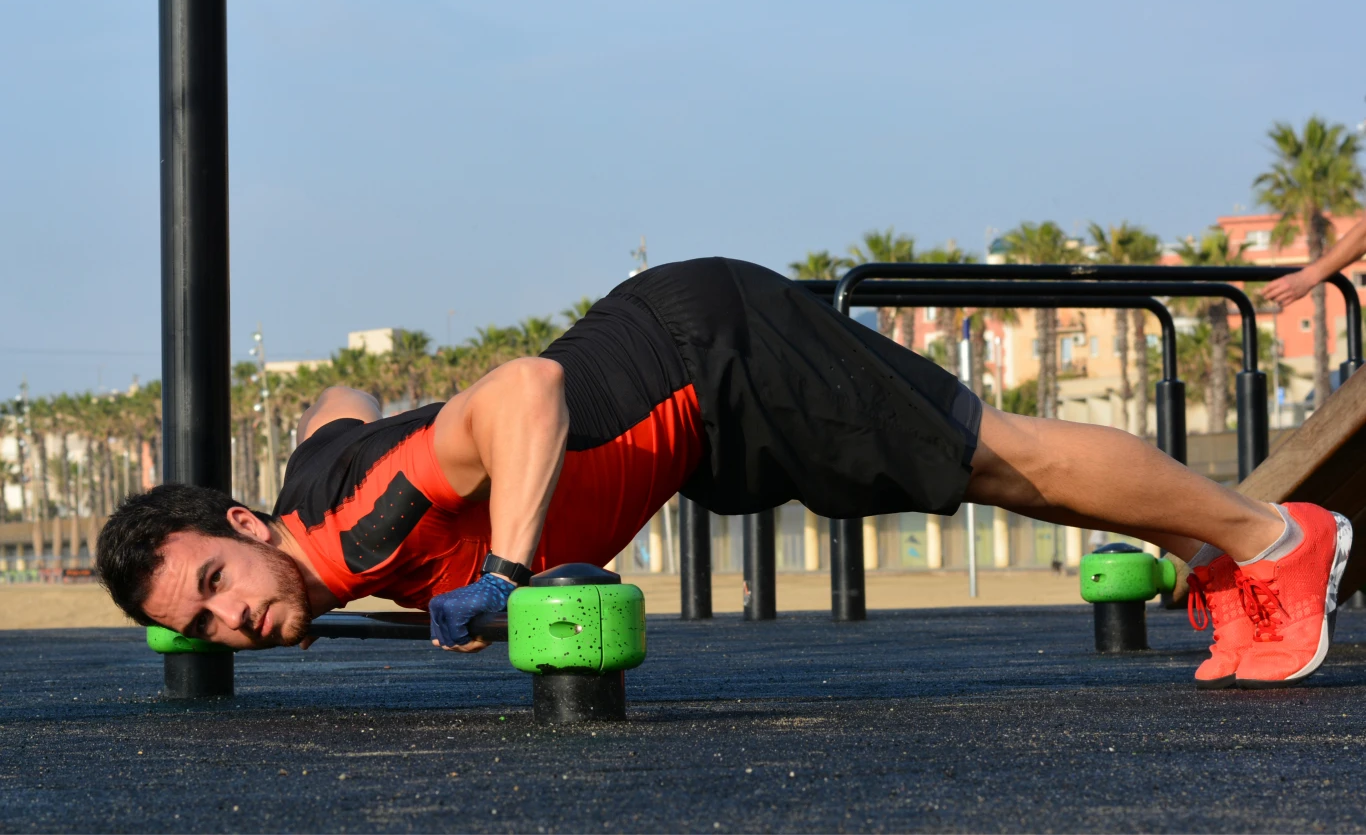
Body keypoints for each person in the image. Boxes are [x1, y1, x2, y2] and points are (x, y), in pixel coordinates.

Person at [97, 258, 1352, 689]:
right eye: (198, 625)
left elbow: (528, 388)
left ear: (246, 520)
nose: (231, 621)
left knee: (998, 460)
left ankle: (1267, 542)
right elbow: (341, 400)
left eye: (215, 578)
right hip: (687, 408)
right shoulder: (314, 488)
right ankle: (1224, 554)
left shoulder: (359, 528)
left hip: (710, 358)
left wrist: (518, 574)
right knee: (986, 474)